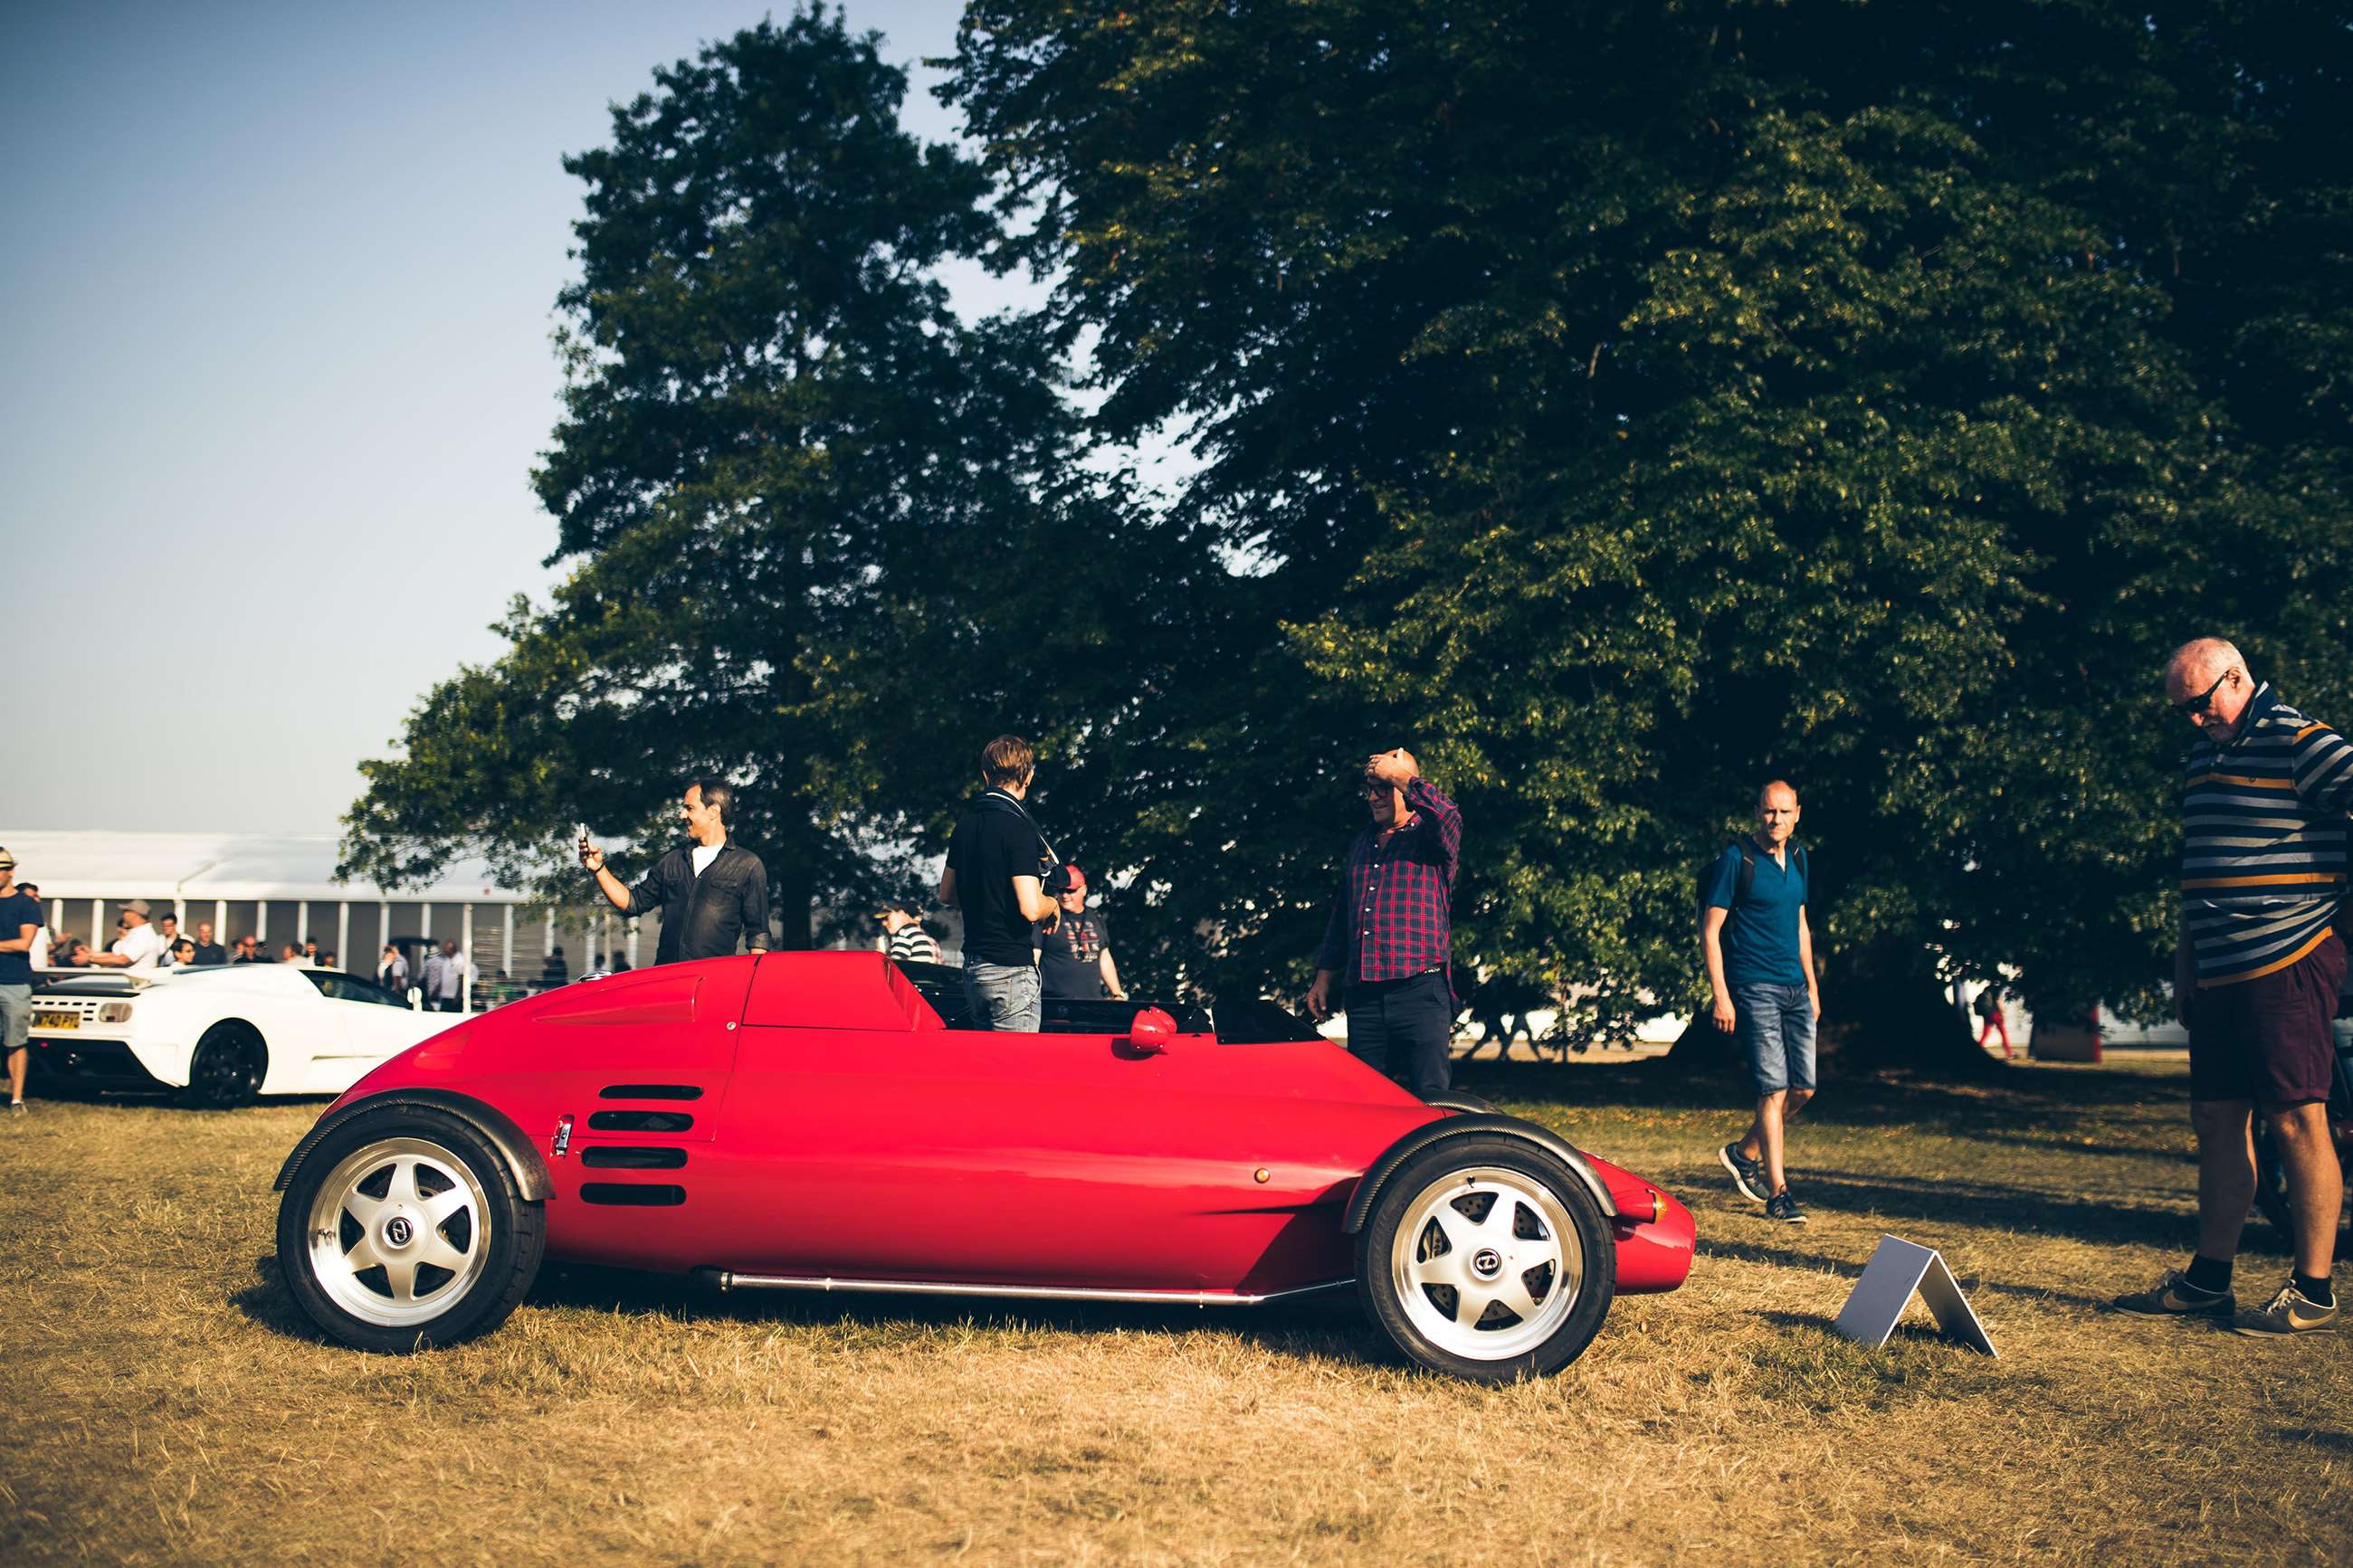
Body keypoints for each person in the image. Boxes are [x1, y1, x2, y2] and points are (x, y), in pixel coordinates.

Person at [2116, 638, 2352, 1335]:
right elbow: (2200, 865)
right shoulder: (2204, 755)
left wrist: (2340, 918)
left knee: (2297, 1117)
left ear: (2238, 677)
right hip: (2218, 972)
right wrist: (2187, 963)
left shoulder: (2301, 740)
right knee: (2217, 1119)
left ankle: (2313, 1290)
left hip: (2288, 960)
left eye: (2201, 702)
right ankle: (2208, 1281)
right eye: (2183, 710)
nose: (2194, 719)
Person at [1306, 748, 1464, 1096]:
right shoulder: (1361, 843)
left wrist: (1399, 775)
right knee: (1369, 1100)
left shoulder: (1431, 837)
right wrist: (1323, 978)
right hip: (1364, 995)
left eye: (1384, 787)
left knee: (1431, 1098)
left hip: (1420, 989)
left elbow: (1449, 814)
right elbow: (1342, 916)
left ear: (1404, 787)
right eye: (1370, 789)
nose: (1373, 797)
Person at [1703, 780, 1822, 1225]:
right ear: (1758, 812)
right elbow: (1711, 930)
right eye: (1770, 811)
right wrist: (1721, 995)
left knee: (1803, 1089)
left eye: (1785, 812)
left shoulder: (1799, 857)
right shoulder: (1738, 860)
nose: (1777, 819)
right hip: (1755, 987)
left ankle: (1744, 1152)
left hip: (1795, 988)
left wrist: (1813, 987)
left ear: (1797, 814)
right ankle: (1779, 1194)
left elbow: (1801, 924)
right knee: (1773, 1089)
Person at [940, 735, 1067, 1032]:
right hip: (1011, 969)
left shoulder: (965, 826)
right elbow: (1031, 908)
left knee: (987, 1063)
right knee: (1017, 1063)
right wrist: (1053, 905)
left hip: (973, 968)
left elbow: (947, 894)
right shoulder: (1018, 828)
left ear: (985, 775)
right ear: (1028, 776)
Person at [581, 780, 775, 965]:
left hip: (714, 981)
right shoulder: (672, 861)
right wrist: (599, 868)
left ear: (714, 812)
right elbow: (632, 903)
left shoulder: (747, 865)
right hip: (668, 978)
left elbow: (758, 937)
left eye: (689, 808)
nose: (682, 815)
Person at [1034, 866, 1126, 1002]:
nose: (1065, 895)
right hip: (1055, 1002)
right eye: (1061, 890)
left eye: (1071, 890)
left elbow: (1104, 956)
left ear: (1084, 890)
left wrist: (1117, 994)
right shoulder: (1048, 918)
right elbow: (1034, 957)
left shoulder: (1095, 917)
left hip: (1092, 1002)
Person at [0, 849, 40, 1115]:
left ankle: (16, 1099)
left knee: (15, 1042)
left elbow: (24, 943)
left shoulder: (26, 904)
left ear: (10, 871)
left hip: (14, 982)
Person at [81, 899, 166, 971]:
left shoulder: (144, 935)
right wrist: (91, 954)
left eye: (125, 911)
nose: (123, 915)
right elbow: (116, 955)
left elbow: (124, 960)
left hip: (134, 983)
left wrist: (89, 959)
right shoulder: (136, 933)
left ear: (134, 914)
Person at [877, 905, 943, 967]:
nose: (884, 923)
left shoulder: (905, 934)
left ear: (901, 914)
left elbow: (894, 966)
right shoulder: (928, 939)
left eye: (887, 918)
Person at [422, 940, 468, 1012]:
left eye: (446, 949)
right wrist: (436, 991)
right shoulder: (446, 960)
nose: (444, 950)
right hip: (444, 996)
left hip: (453, 997)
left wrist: (458, 995)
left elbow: (462, 980)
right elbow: (443, 978)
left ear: (452, 949)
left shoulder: (460, 961)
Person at [1974, 986, 2012, 1060]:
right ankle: (2009, 1054)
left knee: (1985, 1035)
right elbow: (1998, 1002)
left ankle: (1976, 1052)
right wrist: (2003, 1013)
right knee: (2003, 1034)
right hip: (1995, 1014)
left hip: (1987, 1015)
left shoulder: (1988, 989)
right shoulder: (1998, 989)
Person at [18, 883, 49, 971]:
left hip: (41, 974)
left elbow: (43, 947)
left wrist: (57, 944)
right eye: (33, 897)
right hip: (19, 972)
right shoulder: (11, 920)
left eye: (37, 896)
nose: (38, 900)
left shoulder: (42, 924)